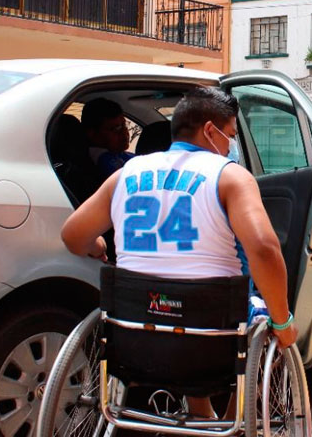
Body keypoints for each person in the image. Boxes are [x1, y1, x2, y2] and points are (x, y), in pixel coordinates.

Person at [61, 87, 298, 417]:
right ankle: (232, 417)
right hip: (212, 345)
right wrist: (283, 321)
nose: (230, 146)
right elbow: (262, 247)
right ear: (210, 131)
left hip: (134, 340)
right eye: (229, 135)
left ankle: (201, 412)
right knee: (263, 317)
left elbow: (73, 236)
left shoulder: (124, 175)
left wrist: (97, 245)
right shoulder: (229, 177)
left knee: (177, 305)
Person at [82, 98, 136, 178]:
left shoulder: (118, 154)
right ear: (92, 133)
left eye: (124, 125)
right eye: (115, 129)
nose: (125, 133)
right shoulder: (101, 160)